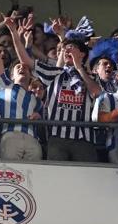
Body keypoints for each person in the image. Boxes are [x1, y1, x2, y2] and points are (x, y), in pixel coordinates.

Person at [6, 14, 101, 162]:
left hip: (85, 139)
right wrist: (14, 33)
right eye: (65, 48)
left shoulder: (92, 78)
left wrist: (79, 68)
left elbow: (97, 92)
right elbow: (26, 60)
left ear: (82, 54)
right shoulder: (54, 73)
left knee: (87, 180)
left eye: (72, 48)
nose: (67, 50)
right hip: (57, 138)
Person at [0, 6, 43, 161]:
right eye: (18, 67)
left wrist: (39, 116)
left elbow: (43, 117)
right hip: (10, 136)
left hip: (33, 139)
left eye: (25, 67)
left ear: (31, 75)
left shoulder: (36, 98)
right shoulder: (5, 85)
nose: (23, 68)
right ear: (11, 75)